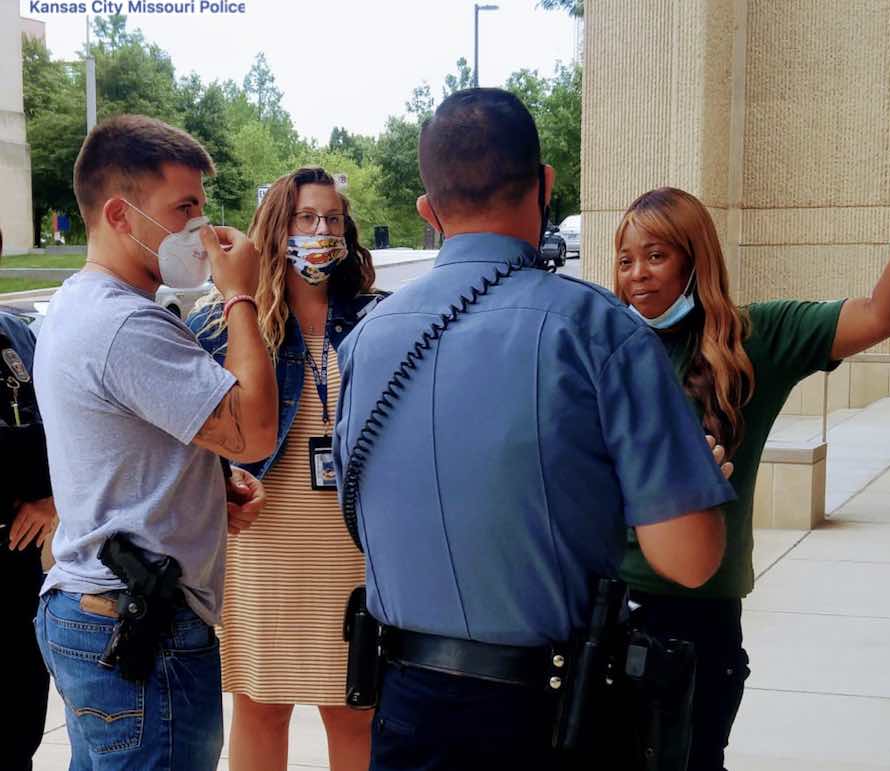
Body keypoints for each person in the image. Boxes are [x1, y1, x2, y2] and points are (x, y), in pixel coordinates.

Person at [333, 88, 736, 770]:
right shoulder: (600, 329)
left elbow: (359, 513)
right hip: (553, 719)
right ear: (545, 184)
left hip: (407, 710)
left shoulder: (366, 341)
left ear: (429, 211)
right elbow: (689, 558)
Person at [609, 139, 890, 770]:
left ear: (696, 261)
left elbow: (886, 314)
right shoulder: (603, 345)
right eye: (624, 259)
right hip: (605, 613)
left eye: (655, 255)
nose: (635, 274)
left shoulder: (757, 337)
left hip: (697, 626)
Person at [32, 114, 275, 770]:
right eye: (184, 208)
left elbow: (117, 442)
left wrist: (204, 482)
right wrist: (242, 296)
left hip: (98, 606)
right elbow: (253, 428)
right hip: (141, 626)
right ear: (119, 213)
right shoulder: (125, 323)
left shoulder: (78, 304)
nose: (201, 228)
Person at [189, 167, 383, 771]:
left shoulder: (379, 322)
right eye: (305, 219)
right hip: (263, 549)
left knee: (355, 708)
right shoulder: (224, 327)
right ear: (277, 229)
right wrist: (215, 484)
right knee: (261, 705)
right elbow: (189, 434)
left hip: (356, 549)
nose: (321, 231)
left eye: (332, 219)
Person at [0, 226, 57, 771]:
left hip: (18, 567)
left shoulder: (17, 334)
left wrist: (55, 499)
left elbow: (70, 428)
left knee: (18, 728)